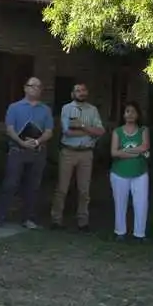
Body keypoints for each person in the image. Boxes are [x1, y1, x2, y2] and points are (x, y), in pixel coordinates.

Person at [0, 77, 54, 230]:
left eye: (38, 86)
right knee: (10, 184)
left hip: (37, 152)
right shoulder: (14, 107)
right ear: (25, 88)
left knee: (33, 186)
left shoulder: (45, 109)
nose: (35, 89)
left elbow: (49, 131)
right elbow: (9, 129)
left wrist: (37, 142)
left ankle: (28, 219)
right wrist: (21, 142)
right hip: (17, 151)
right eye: (32, 86)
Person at [51, 83, 106, 231]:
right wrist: (90, 131)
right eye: (78, 90)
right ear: (72, 94)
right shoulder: (66, 108)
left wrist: (81, 126)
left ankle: (83, 222)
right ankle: (56, 220)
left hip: (86, 153)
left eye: (83, 90)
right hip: (68, 152)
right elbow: (67, 131)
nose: (81, 93)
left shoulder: (93, 110)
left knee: (84, 190)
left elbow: (101, 131)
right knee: (62, 188)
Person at [110, 102, 150, 241]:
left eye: (133, 111)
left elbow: (145, 147)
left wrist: (124, 151)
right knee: (120, 203)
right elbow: (114, 153)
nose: (130, 114)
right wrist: (135, 153)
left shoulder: (143, 130)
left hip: (140, 173)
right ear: (123, 114)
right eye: (127, 111)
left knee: (141, 203)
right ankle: (120, 232)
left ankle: (139, 234)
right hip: (119, 172)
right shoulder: (117, 131)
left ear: (138, 114)